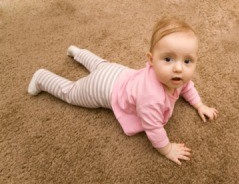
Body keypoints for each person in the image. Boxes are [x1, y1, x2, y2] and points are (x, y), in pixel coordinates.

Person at [28, 17, 219, 165]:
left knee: (100, 64)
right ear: (151, 60)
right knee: (71, 92)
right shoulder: (151, 98)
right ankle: (42, 78)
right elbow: (153, 128)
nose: (179, 68)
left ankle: (78, 52)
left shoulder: (177, 78)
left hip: (119, 73)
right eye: (168, 59)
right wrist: (167, 149)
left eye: (187, 61)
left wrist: (199, 104)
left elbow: (187, 86)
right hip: (104, 88)